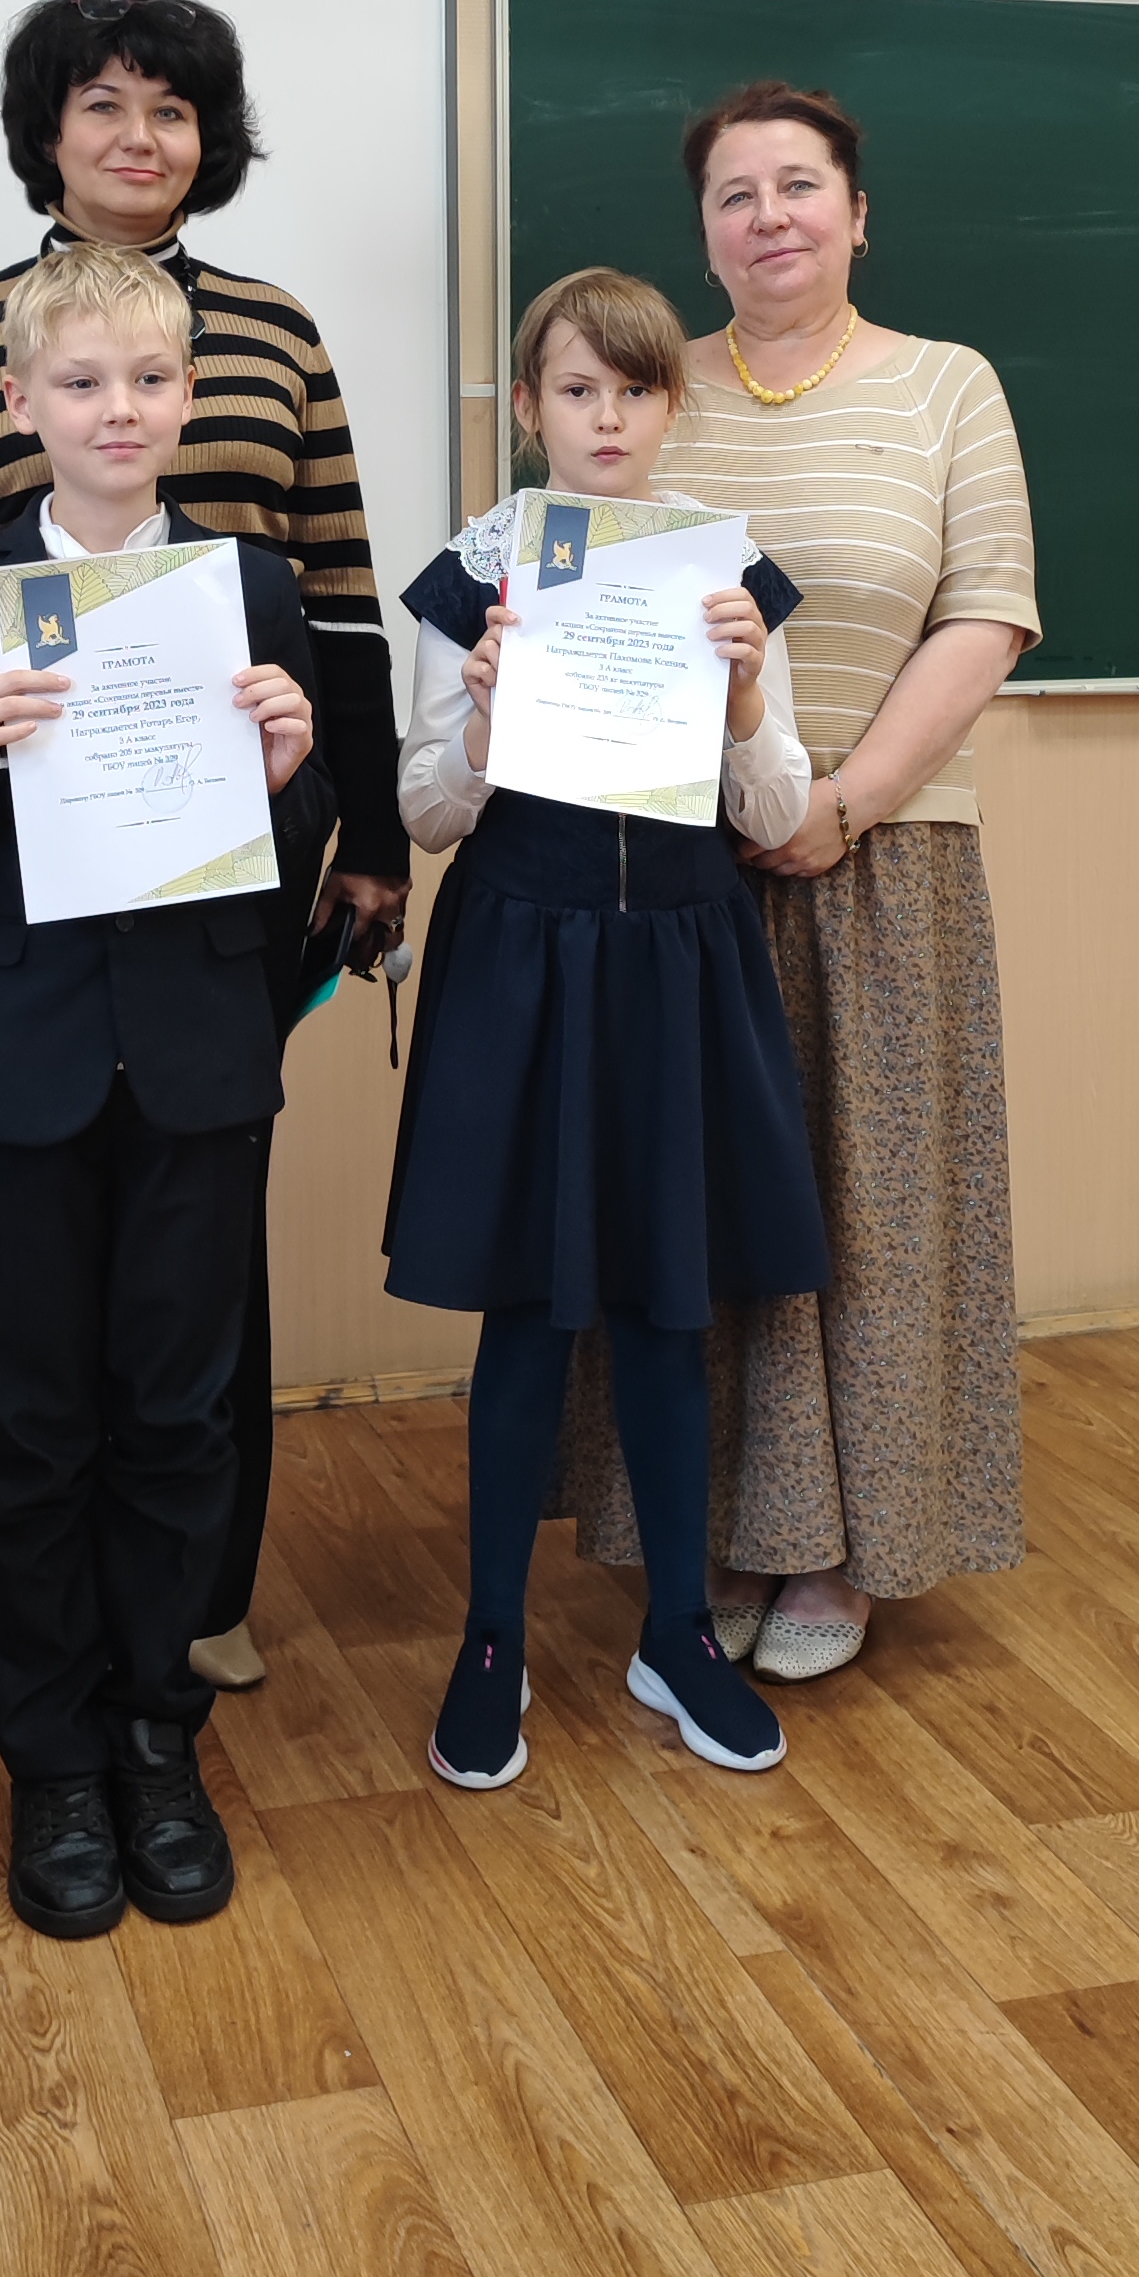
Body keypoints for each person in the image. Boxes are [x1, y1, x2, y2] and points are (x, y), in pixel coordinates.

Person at [0, 0, 409, 1677]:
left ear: (209, 140)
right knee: (15, 1283)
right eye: (103, 104)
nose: (139, 136)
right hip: (11, 878)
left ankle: (193, 1610)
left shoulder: (275, 332)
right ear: (49, 132)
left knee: (193, 1270)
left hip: (223, 866)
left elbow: (341, 599)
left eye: (172, 108)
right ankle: (20, 1619)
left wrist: (368, 833)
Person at [0, 241, 333, 1938]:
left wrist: (292, 766)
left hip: (197, 1058)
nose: (115, 409)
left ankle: (153, 1734)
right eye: (80, 383)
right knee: (28, 1420)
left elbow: (289, 849)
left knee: (177, 1411)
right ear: (20, 406)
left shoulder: (249, 587)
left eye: (147, 381)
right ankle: (52, 1760)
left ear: (187, 399)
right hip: (16, 1064)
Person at [556, 81, 1039, 1681]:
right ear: (701, 232)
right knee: (692, 1210)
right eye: (734, 194)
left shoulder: (948, 385)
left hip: (883, 867)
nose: (769, 216)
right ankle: (708, 1535)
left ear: (857, 213)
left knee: (867, 1207)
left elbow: (987, 612)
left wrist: (847, 802)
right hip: (667, 873)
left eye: (800, 185)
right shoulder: (644, 386)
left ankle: (842, 1549)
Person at [384, 266, 829, 1791]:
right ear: (529, 409)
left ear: (670, 404)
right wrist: (486, 711)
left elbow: (776, 806)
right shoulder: (475, 575)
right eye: (578, 390)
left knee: (665, 1306)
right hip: (524, 963)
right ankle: (489, 1640)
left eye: (636, 390)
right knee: (524, 1312)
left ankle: (680, 1631)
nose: (609, 417)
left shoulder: (727, 574)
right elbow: (426, 811)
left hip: (680, 963)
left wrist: (748, 696)